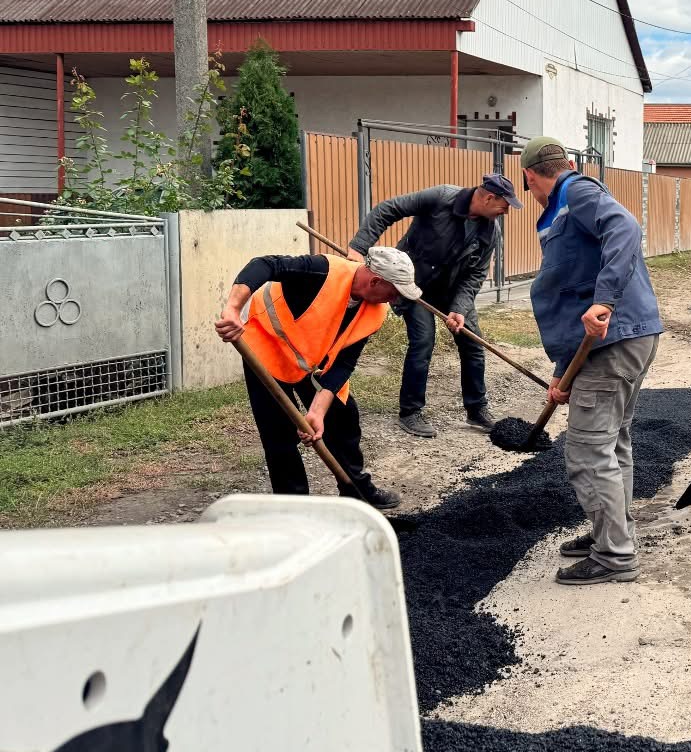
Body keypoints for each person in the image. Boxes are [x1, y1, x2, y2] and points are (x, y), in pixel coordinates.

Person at [521, 136, 663, 586]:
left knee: (587, 448)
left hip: (614, 340)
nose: (530, 194)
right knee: (613, 441)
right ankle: (614, 532)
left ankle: (615, 555)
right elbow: (570, 293)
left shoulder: (577, 193)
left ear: (531, 176)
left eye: (527, 186)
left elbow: (625, 228)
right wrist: (563, 374)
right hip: (613, 341)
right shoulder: (566, 203)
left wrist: (604, 300)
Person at [214, 246, 419, 510]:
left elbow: (344, 363)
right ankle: (294, 505)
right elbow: (264, 264)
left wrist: (317, 412)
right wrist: (233, 309)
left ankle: (355, 491)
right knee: (279, 435)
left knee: (343, 418)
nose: (394, 301)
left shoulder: (373, 312)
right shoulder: (320, 270)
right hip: (266, 350)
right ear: (376, 281)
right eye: (393, 293)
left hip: (311, 360)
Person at [348, 173, 522, 439]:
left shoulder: (491, 231)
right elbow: (388, 210)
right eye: (504, 205)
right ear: (489, 197)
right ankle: (410, 411)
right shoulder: (441, 197)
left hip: (453, 291)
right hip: (416, 285)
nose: (506, 212)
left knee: (473, 343)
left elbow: (475, 275)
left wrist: (459, 309)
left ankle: (476, 409)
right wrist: (359, 248)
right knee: (423, 340)